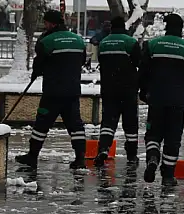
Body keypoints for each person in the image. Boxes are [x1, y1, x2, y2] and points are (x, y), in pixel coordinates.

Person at [16, 9, 88, 170]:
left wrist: (36, 74)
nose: (45, 25)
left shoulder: (47, 41)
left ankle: (32, 156)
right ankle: (80, 158)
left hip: (52, 92)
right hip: (72, 91)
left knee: (42, 124)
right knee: (75, 125)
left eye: (46, 22)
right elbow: (82, 61)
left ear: (52, 23)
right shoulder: (78, 40)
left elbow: (38, 64)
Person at [139, 14, 184, 186]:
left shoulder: (152, 45)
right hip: (177, 101)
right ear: (181, 28)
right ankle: (168, 175)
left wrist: (144, 91)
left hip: (157, 98)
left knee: (153, 133)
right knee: (173, 137)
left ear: (166, 26)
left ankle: (152, 157)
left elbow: (142, 71)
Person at [94, 16, 141, 168]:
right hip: (128, 89)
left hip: (109, 88)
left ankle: (103, 148)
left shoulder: (104, 43)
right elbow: (138, 62)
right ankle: (132, 156)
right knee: (130, 123)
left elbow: (101, 61)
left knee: (108, 121)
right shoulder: (130, 42)